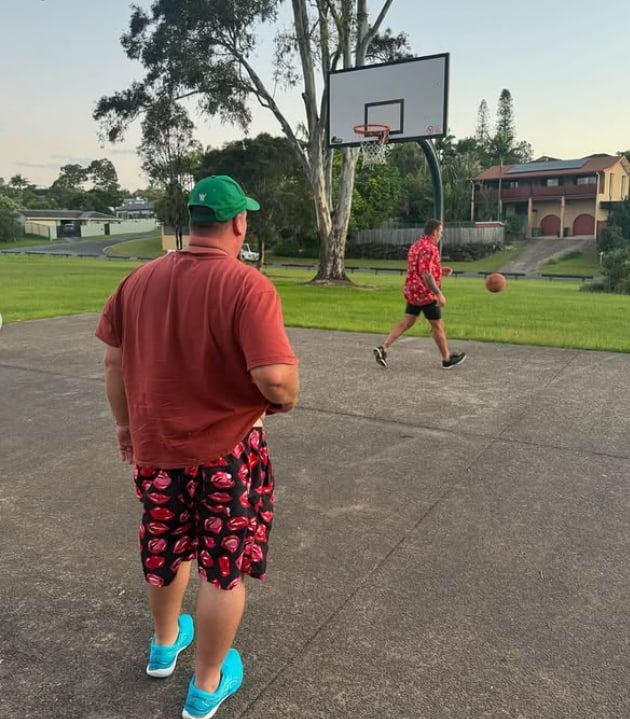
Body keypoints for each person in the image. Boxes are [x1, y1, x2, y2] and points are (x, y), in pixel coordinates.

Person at [96, 175, 299, 719]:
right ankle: (207, 683)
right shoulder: (247, 285)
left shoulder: (136, 282)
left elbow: (114, 362)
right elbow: (275, 379)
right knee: (221, 568)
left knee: (163, 547)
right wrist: (282, 402)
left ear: (191, 222)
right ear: (239, 222)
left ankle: (165, 644)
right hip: (227, 452)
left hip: (155, 451)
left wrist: (124, 427)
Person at [372, 218, 466, 370]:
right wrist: (438, 293)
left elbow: (419, 268)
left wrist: (441, 271)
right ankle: (447, 359)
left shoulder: (416, 246)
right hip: (426, 294)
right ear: (434, 231)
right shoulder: (430, 248)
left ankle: (384, 348)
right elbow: (426, 274)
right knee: (437, 325)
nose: (441, 234)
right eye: (441, 231)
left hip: (413, 292)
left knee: (406, 323)